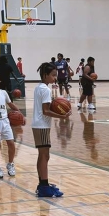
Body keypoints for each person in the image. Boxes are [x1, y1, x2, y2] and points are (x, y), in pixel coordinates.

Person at [32, 62, 70, 197]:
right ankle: (44, 186)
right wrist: (62, 116)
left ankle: (42, 184)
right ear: (45, 75)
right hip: (41, 125)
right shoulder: (46, 90)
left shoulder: (39, 87)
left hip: (38, 125)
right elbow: (46, 111)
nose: (55, 78)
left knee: (43, 155)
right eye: (53, 75)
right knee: (44, 155)